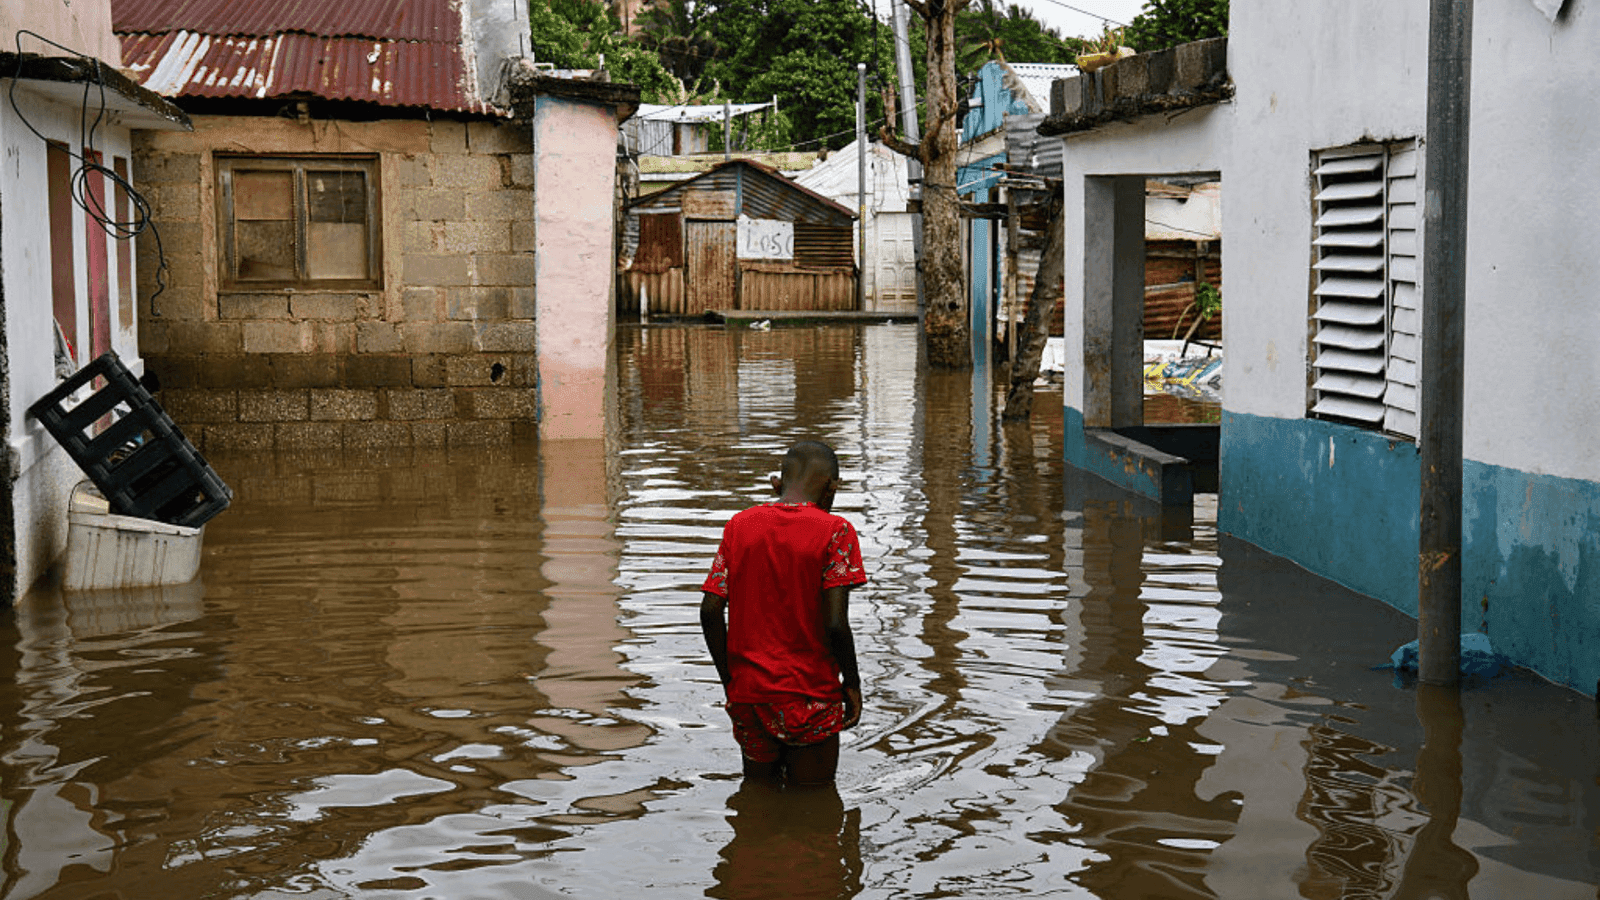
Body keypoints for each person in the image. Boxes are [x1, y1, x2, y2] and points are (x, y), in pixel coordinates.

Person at [700, 440, 866, 786]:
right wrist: (851, 685)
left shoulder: (739, 526)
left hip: (749, 698)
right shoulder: (836, 532)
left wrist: (731, 681)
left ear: (776, 483)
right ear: (832, 487)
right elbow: (836, 624)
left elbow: (711, 610)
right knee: (814, 811)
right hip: (810, 698)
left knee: (757, 801)